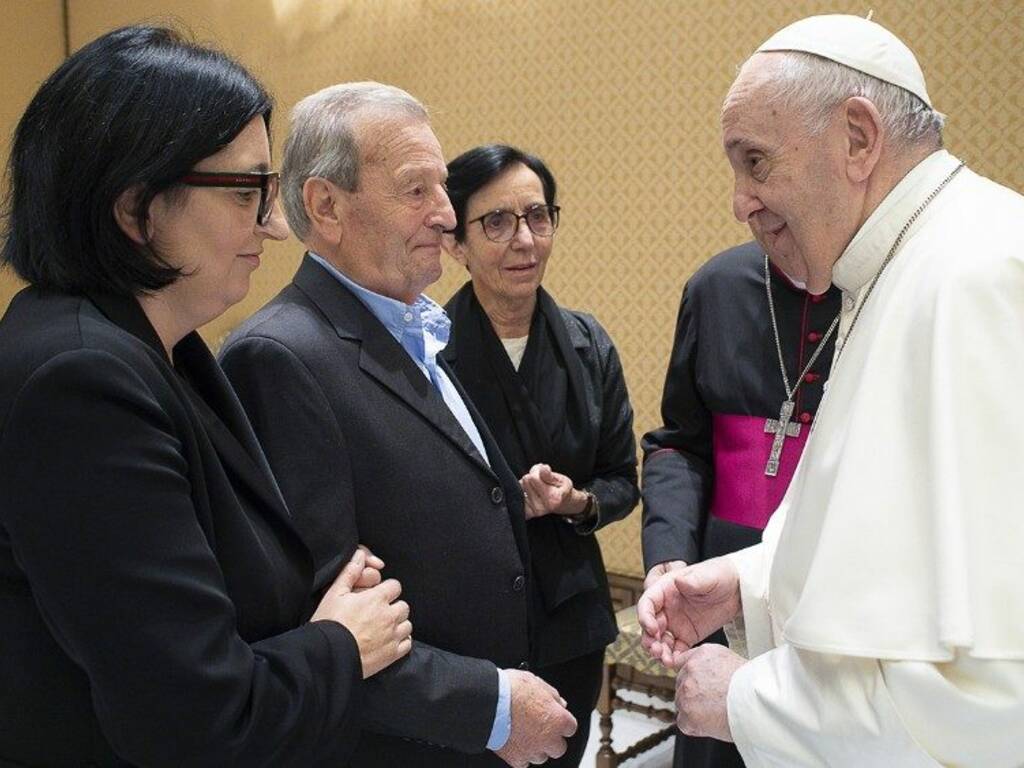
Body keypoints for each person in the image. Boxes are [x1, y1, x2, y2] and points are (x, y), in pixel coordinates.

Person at [0, 26, 412, 768]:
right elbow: (198, 719)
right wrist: (341, 645)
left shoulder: (155, 348)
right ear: (137, 209)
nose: (276, 225)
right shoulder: (80, 384)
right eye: (248, 190)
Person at [639, 13, 1024, 767]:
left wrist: (747, 701)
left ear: (857, 138)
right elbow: (893, 551)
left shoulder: (976, 279)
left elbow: (993, 698)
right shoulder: (896, 269)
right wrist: (748, 582)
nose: (739, 201)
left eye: (755, 161)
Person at [220, 84, 577, 768]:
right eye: (417, 191)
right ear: (327, 207)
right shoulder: (281, 356)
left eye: (442, 189)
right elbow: (317, 622)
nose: (447, 216)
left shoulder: (413, 326)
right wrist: (493, 707)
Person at [441, 144, 640, 767]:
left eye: (538, 216)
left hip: (568, 612)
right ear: (456, 241)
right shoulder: (428, 352)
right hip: (465, 615)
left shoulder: (588, 345)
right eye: (496, 222)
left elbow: (621, 481)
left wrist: (576, 501)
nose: (523, 239)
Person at [641, 239, 840, 768]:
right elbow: (681, 443)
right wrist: (669, 549)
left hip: (834, 596)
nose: (744, 201)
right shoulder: (715, 286)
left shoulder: (885, 287)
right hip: (721, 594)